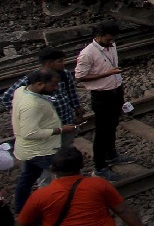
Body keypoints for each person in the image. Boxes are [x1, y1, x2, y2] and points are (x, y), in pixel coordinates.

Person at [16, 146, 143, 226]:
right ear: (81, 166)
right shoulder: (98, 184)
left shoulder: (40, 196)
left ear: (53, 169)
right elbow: (124, 211)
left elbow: (22, 223)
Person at [11, 70, 77, 214]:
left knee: (27, 178)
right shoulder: (33, 105)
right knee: (68, 176)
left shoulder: (21, 90)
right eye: (53, 85)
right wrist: (60, 130)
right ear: (40, 84)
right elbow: (30, 133)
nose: (56, 88)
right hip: (41, 150)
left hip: (28, 150)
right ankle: (70, 205)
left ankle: (20, 208)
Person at [74, 21, 127, 180]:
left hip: (116, 91)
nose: (111, 42)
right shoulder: (87, 54)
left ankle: (111, 155)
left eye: (113, 39)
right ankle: (100, 166)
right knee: (102, 131)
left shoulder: (112, 45)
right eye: (108, 39)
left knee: (113, 125)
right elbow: (80, 76)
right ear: (98, 36)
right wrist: (107, 74)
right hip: (102, 95)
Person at [0, 48, 81, 144]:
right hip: (46, 127)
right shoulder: (32, 79)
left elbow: (72, 94)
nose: (64, 63)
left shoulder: (65, 74)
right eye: (60, 61)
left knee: (67, 148)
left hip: (66, 120)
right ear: (48, 63)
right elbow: (6, 97)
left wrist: (78, 111)